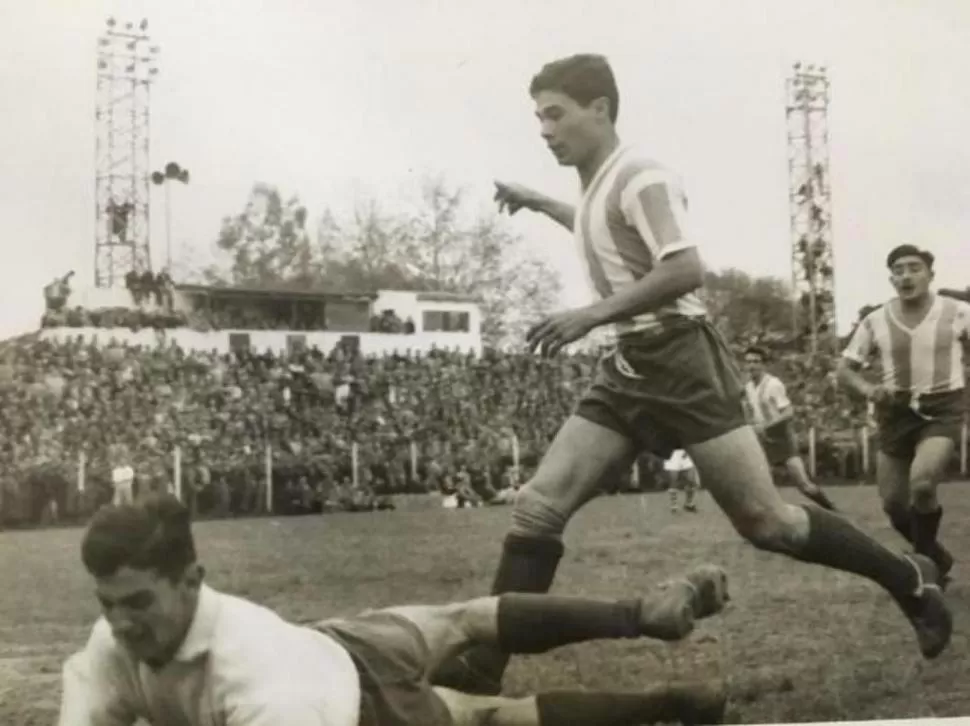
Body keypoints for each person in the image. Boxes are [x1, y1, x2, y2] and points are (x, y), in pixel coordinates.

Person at [432, 53, 951, 696]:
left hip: (680, 359)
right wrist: (539, 202)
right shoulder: (599, 185)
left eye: (555, 113)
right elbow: (598, 234)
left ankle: (908, 578)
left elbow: (684, 270)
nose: (544, 129)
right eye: (538, 116)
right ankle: (482, 665)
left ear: (600, 109)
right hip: (629, 364)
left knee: (768, 522)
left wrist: (590, 313)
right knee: (538, 509)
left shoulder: (643, 175)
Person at [57, 494, 731, 726]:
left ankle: (662, 685)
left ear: (192, 581)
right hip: (330, 641)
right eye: (108, 605)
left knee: (483, 715)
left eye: (139, 603)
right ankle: (649, 633)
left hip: (362, 705)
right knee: (464, 616)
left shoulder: (262, 686)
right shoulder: (110, 642)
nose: (121, 624)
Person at [837, 245, 970, 589]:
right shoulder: (876, 319)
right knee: (894, 505)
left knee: (923, 484)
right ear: (891, 278)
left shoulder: (958, 312)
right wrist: (869, 390)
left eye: (914, 268)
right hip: (895, 413)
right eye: (898, 270)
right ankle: (936, 557)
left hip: (942, 407)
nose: (906, 275)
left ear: (930, 275)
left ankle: (925, 571)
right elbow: (845, 370)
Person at [742, 346, 837, 511]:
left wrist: (766, 426)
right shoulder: (748, 387)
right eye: (749, 362)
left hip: (781, 438)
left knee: (803, 484)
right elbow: (752, 412)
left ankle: (831, 509)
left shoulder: (773, 384)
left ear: (764, 364)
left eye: (756, 362)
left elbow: (788, 412)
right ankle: (769, 515)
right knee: (757, 480)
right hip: (763, 440)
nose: (752, 366)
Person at [665, 449, 700, 513]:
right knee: (673, 481)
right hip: (672, 456)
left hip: (685, 456)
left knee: (691, 480)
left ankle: (688, 503)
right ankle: (674, 504)